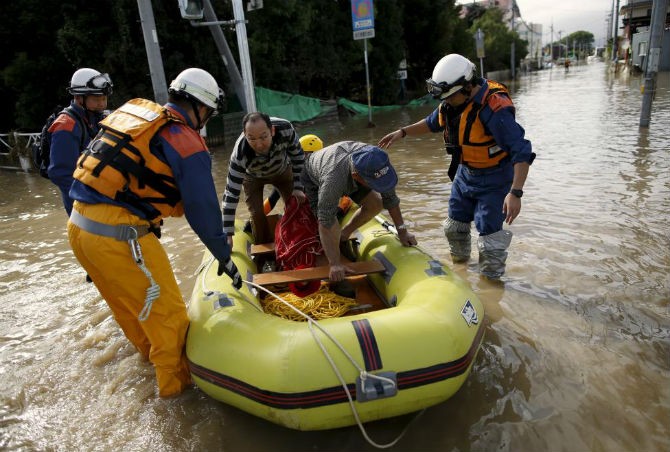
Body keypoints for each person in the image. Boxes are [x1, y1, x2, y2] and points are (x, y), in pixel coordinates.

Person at [67, 68, 241, 398]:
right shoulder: (186, 141)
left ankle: (150, 366)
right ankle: (176, 403)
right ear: (202, 109)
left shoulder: (135, 113)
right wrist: (224, 257)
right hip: (119, 235)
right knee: (171, 321)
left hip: (79, 227)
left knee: (132, 312)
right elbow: (202, 210)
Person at [378, 54, 535, 279]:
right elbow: (432, 123)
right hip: (464, 175)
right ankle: (461, 271)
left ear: (468, 87)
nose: (447, 102)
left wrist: (515, 192)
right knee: (454, 228)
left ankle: (491, 286)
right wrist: (402, 132)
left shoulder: (493, 109)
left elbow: (522, 151)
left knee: (490, 241)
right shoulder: (451, 102)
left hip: (494, 179)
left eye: (450, 97)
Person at [300, 141, 417, 282]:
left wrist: (403, 231)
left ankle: (344, 235)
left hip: (350, 168)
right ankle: (333, 254)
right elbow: (325, 219)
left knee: (376, 203)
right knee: (329, 220)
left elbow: (390, 198)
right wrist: (335, 264)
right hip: (315, 176)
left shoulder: (378, 162)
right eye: (376, 183)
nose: (381, 186)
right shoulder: (333, 180)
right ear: (357, 177)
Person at [221, 112, 306, 246]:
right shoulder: (240, 154)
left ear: (272, 130)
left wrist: (298, 187)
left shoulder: (286, 129)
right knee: (257, 214)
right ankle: (263, 252)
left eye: (263, 137)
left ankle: (297, 242)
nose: (259, 144)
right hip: (252, 177)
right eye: (252, 139)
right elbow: (231, 193)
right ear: (244, 134)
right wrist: (228, 233)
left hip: (282, 170)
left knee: (295, 205)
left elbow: (299, 158)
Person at [48, 68, 112, 216]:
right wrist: (90, 197)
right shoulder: (66, 126)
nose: (102, 104)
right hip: (83, 203)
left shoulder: (99, 118)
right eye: (97, 99)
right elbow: (60, 173)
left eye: (104, 99)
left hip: (103, 195)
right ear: (78, 97)